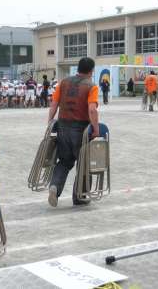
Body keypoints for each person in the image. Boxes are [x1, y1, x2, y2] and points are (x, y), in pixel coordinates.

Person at [47, 57, 100, 207]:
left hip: (62, 126)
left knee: (64, 162)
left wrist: (50, 122)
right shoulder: (91, 86)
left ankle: (55, 187)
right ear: (91, 71)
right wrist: (95, 129)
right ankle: (80, 197)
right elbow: (92, 109)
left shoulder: (63, 83)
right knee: (84, 163)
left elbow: (54, 104)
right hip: (81, 129)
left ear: (78, 68)